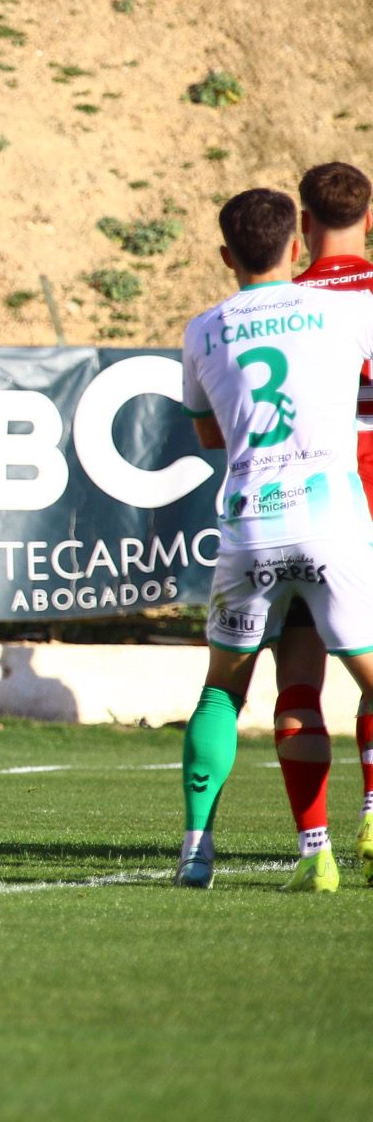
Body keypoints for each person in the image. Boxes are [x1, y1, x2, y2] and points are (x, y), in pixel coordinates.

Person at [174, 187, 373, 891]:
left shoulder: (201, 330)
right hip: (332, 526)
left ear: (226, 255)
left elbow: (207, 433)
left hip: (251, 527)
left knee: (223, 691)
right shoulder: (349, 309)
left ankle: (197, 851)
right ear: (297, 248)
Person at [265, 162, 373, 887]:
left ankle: (315, 853)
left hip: (315, 501)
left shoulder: (284, 304)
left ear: (303, 225)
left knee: (298, 671)